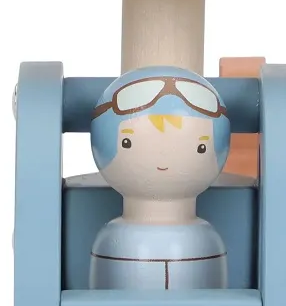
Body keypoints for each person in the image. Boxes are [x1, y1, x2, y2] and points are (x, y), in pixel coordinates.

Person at [89, 66, 231, 290]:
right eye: (127, 143)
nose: (163, 157)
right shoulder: (112, 239)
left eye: (201, 147)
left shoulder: (206, 239)